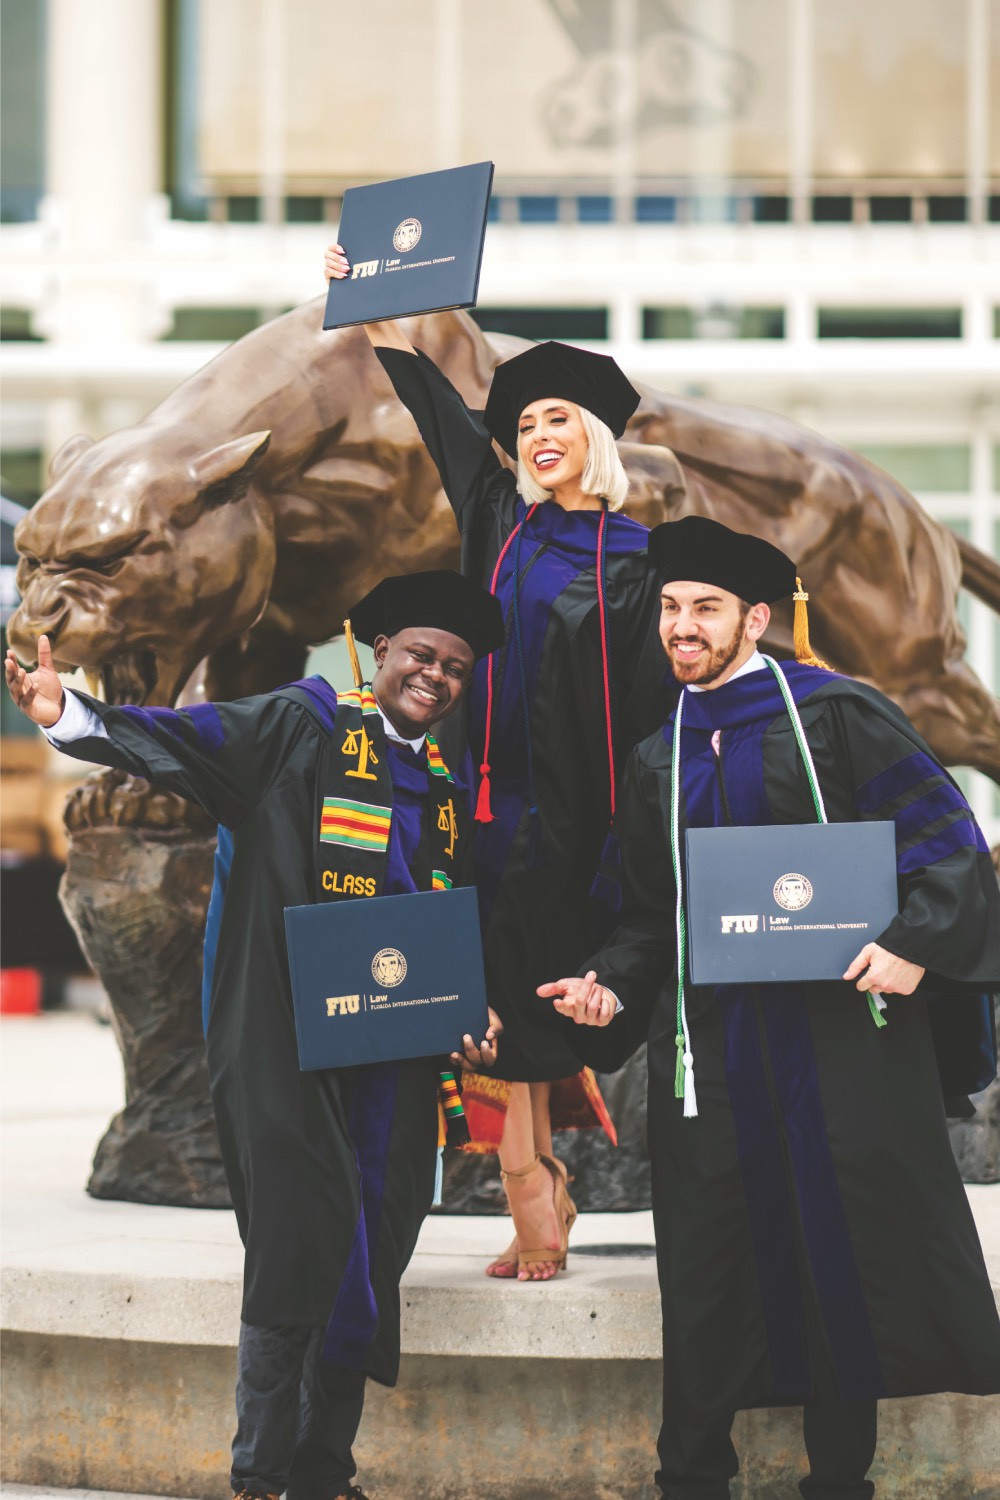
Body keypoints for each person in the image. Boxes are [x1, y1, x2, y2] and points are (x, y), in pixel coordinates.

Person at [5, 569, 505, 1500]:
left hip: (392, 1054)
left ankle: (325, 1475)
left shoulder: (442, 787)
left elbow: (438, 925)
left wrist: (468, 1009)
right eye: (420, 656)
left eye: (455, 666)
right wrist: (65, 712)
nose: (435, 675)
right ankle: (262, 1476)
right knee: (297, 1239)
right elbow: (185, 739)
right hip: (286, 1039)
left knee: (374, 1243)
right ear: (379, 653)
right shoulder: (301, 726)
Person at [540, 515, 1000, 1500]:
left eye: (703, 608)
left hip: (839, 1042)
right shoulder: (658, 754)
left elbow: (946, 845)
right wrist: (610, 980)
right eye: (669, 609)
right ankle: (691, 1475)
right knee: (708, 1260)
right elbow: (642, 912)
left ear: (757, 617)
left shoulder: (838, 715)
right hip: (716, 1051)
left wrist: (913, 948)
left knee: (842, 1244)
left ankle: (840, 1479)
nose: (682, 627)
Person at [325, 242, 673, 1280]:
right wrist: (373, 306)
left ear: (596, 434)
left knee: (547, 1001)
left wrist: (634, 834)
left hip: (585, 821)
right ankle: (532, 1185)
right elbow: (436, 407)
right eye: (524, 424)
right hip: (480, 809)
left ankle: (543, 1182)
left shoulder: (644, 561)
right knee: (486, 1005)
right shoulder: (498, 521)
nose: (536, 434)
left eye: (556, 417)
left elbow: (652, 709)